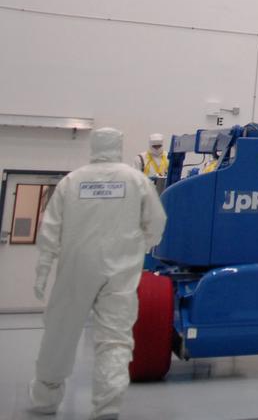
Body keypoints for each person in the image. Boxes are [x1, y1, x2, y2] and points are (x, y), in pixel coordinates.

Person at [30, 127, 167, 420]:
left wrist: (43, 271)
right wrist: (140, 246)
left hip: (76, 268)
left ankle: (45, 398)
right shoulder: (136, 180)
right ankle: (108, 406)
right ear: (119, 145)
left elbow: (50, 229)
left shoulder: (72, 181)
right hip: (120, 270)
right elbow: (157, 222)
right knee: (115, 339)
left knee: (60, 333)